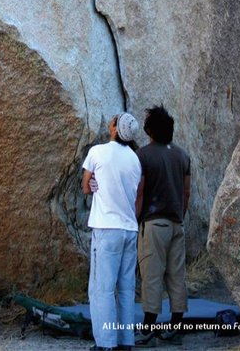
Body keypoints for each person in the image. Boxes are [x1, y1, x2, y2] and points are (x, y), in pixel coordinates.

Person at [82, 113, 143, 351]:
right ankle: (126, 341)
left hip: (107, 228)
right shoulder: (135, 160)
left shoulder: (97, 152)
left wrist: (93, 182)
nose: (109, 123)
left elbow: (86, 186)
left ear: (115, 129)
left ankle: (106, 344)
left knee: (102, 289)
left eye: (112, 121)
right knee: (126, 289)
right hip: (129, 229)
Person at [134, 105, 191, 346]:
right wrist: (180, 215)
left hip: (153, 224)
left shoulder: (143, 155)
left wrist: (135, 219)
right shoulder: (182, 155)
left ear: (150, 130)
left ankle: (148, 328)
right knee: (177, 275)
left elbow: (140, 192)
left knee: (152, 275)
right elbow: (186, 192)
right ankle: (176, 324)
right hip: (177, 223)